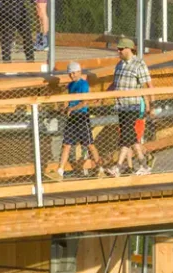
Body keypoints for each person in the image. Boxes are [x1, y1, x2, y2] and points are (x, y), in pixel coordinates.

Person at [107, 38, 154, 177]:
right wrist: (101, 95)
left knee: (127, 136)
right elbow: (114, 84)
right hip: (120, 106)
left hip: (132, 106)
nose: (118, 51)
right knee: (129, 138)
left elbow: (149, 86)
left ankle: (118, 167)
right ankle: (142, 165)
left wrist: (151, 106)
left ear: (129, 49)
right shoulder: (119, 65)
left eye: (121, 49)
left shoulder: (139, 64)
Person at [56, 62, 102, 179]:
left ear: (79, 72)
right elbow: (70, 100)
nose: (72, 75)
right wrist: (65, 108)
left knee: (89, 144)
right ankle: (60, 171)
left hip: (81, 116)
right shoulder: (70, 85)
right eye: (70, 73)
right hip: (72, 118)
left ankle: (100, 168)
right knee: (67, 144)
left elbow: (84, 102)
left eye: (74, 72)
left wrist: (72, 108)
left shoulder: (83, 84)